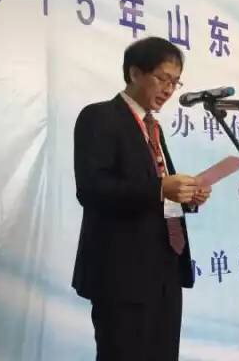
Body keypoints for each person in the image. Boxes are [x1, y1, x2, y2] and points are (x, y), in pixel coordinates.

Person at [72, 36, 212, 361]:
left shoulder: (152, 127)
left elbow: (154, 192)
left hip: (165, 269)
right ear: (135, 73)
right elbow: (92, 188)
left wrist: (187, 197)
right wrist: (162, 188)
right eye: (163, 79)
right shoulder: (99, 117)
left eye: (175, 82)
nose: (169, 90)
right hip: (122, 275)